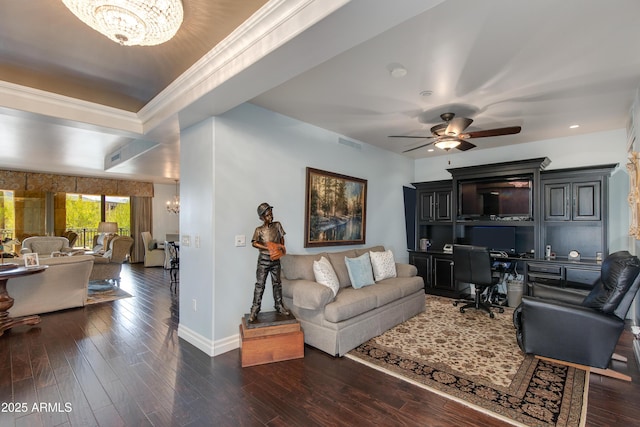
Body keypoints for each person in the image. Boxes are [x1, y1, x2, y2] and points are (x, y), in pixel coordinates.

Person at [249, 202, 290, 322]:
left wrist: (280, 247)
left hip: (275, 260)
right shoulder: (259, 230)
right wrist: (269, 247)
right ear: (261, 217)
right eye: (267, 215)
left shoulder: (277, 225)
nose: (270, 217)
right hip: (263, 261)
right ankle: (255, 310)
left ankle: (279, 306)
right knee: (260, 285)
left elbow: (282, 237)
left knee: (277, 284)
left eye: (271, 214)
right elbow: (254, 243)